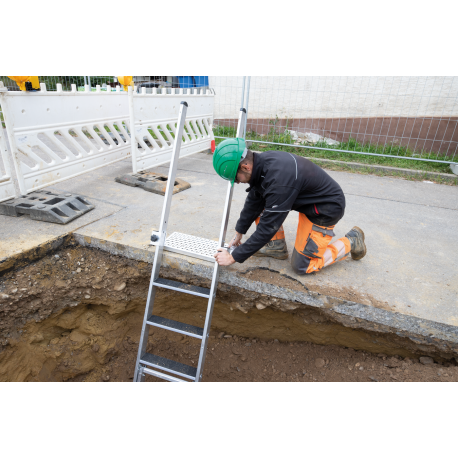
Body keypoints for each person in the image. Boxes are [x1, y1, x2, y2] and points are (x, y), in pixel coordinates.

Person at [212, 138, 366, 274]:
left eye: (235, 178)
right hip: (309, 202)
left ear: (245, 167)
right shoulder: (262, 163)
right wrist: (239, 232)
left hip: (325, 210)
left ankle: (352, 241)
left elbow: (268, 227)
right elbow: (254, 200)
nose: (237, 182)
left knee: (303, 267)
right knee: (262, 203)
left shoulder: (278, 181)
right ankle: (276, 246)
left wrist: (233, 257)